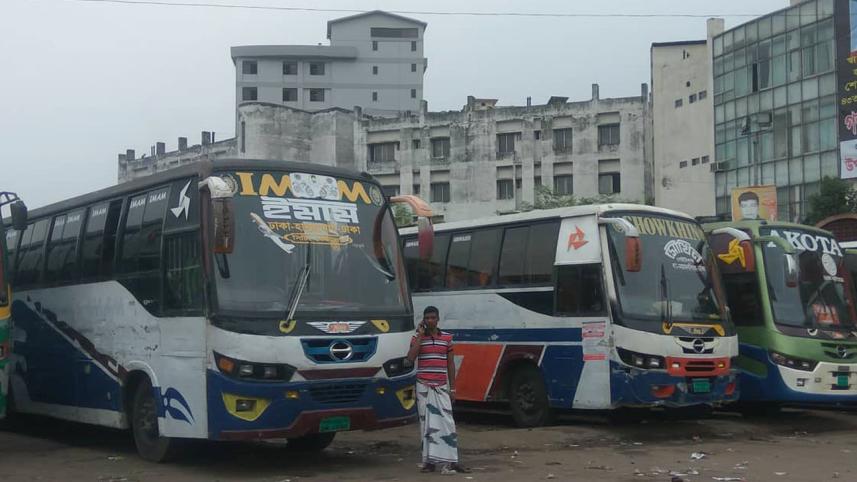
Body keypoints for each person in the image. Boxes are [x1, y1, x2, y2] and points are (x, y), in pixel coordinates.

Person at [406, 306, 468, 475]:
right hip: (423, 385)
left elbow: (450, 364)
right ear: (424, 320)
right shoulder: (417, 338)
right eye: (427, 318)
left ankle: (452, 462)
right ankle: (429, 462)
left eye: (433, 317)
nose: (430, 320)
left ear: (438, 319)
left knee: (448, 424)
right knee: (426, 424)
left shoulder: (447, 338)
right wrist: (420, 336)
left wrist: (452, 388)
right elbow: (410, 358)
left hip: (441, 386)